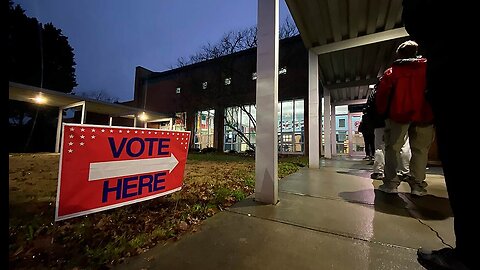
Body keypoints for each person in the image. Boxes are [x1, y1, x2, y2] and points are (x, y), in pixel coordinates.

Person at [402, 1, 474, 269]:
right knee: (417, 150)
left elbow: (417, 17)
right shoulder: (421, 66)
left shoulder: (399, 71)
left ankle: (468, 255)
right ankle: (417, 183)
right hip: (428, 110)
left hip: (447, 91)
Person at [375, 40, 434, 196]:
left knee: (392, 148)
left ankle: (391, 184)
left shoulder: (392, 73)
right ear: (416, 52)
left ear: (399, 54)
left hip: (398, 115)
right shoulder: (428, 69)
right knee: (420, 150)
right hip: (425, 115)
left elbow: (382, 97)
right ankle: (417, 185)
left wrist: (383, 114)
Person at [364, 83, 412, 180]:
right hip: (400, 120)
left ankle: (379, 172)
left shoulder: (376, 91)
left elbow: (369, 108)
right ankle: (405, 172)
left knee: (380, 147)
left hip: (380, 123)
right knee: (403, 145)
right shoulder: (401, 86)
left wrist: (372, 122)